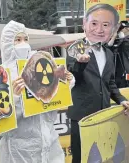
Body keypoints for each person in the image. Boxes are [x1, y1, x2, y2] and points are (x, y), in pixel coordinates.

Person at [0, 20, 75, 163]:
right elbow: (1, 123)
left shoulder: (39, 65)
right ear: (7, 44)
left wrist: (65, 83)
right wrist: (15, 98)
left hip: (49, 143)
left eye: (26, 39)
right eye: (17, 40)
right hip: (21, 151)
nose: (23, 43)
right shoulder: (2, 77)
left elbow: (51, 101)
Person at [66, 4, 129, 163]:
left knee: (104, 156)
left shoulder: (108, 53)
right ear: (84, 24)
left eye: (106, 25)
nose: (99, 29)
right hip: (82, 117)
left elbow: (110, 83)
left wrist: (122, 100)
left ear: (113, 29)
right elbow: (73, 76)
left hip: (104, 116)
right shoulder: (75, 48)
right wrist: (81, 63)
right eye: (94, 23)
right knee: (81, 158)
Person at [107, 21, 129, 88]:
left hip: (124, 66)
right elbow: (109, 45)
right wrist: (114, 37)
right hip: (117, 67)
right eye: (125, 28)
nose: (127, 30)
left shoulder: (125, 41)